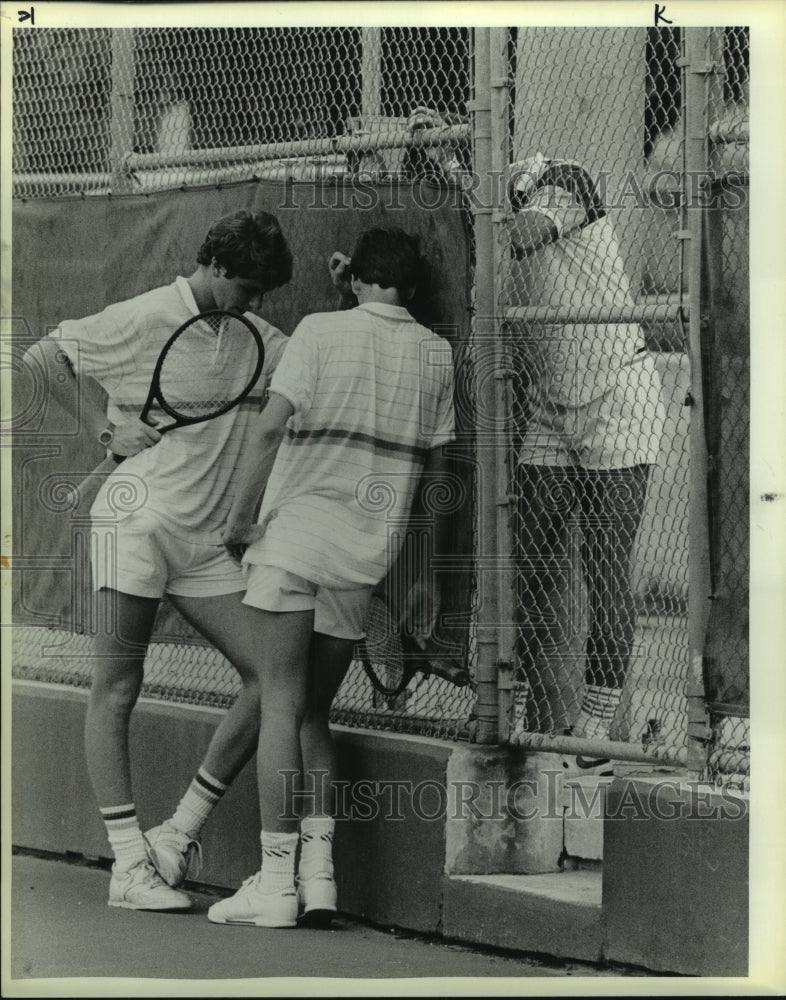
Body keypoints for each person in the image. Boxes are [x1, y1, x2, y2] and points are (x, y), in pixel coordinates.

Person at [25, 209, 293, 910]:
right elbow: (42, 358)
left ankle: (175, 836)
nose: (255, 303)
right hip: (132, 526)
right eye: (250, 288)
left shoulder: (265, 340)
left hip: (207, 546)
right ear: (218, 268)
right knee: (118, 685)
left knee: (274, 677)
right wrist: (105, 424)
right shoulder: (144, 316)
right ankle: (127, 868)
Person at [208, 227, 455, 928]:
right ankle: (320, 879)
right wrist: (426, 577)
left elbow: (266, 431)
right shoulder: (437, 354)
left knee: (280, 705)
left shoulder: (318, 329)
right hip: (363, 559)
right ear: (409, 289)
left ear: (356, 280)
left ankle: (276, 884)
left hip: (293, 542)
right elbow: (438, 479)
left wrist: (239, 518)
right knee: (315, 711)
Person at [506, 154, 665, 766]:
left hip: (618, 394)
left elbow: (522, 237)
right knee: (529, 553)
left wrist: (498, 195)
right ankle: (512, 700)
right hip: (554, 397)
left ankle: (596, 724)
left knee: (604, 562)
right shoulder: (505, 191)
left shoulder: (566, 180)